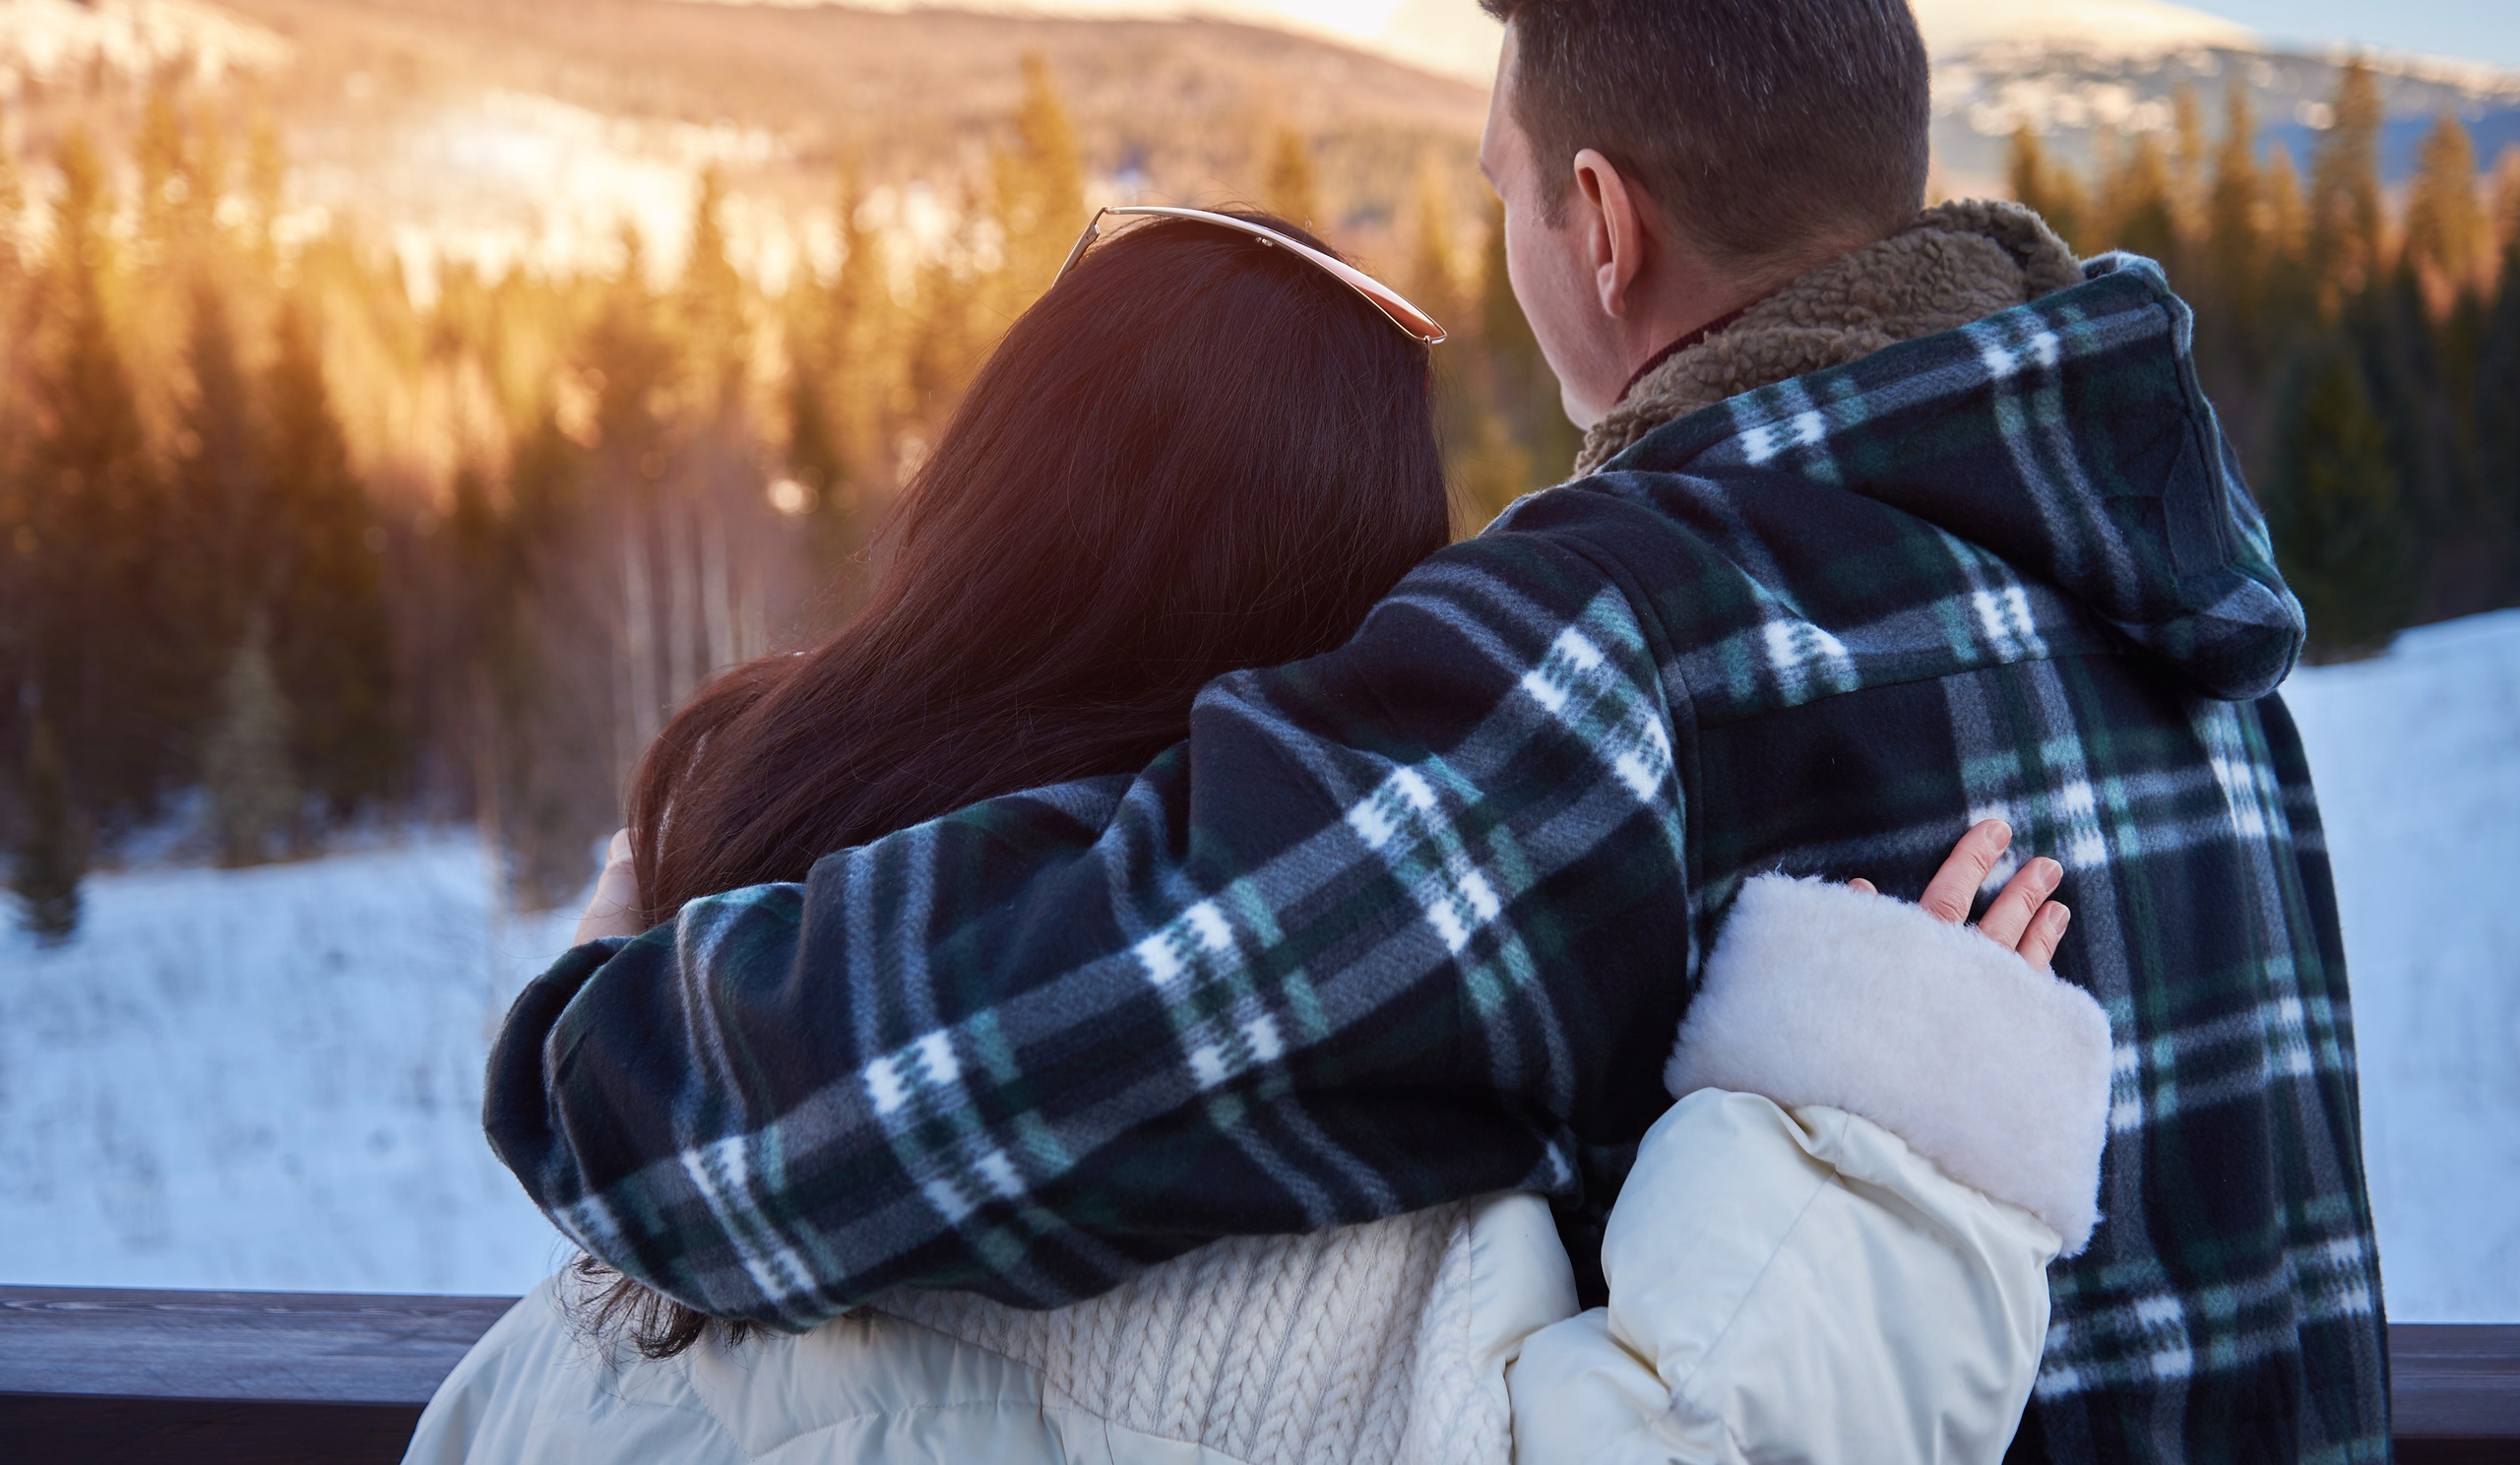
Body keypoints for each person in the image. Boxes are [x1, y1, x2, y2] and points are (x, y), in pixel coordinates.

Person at [483, 0, 2387, 1465]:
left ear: (1600, 225)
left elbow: (1047, 1036)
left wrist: (607, 1039)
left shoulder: (1618, 636)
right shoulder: (2180, 626)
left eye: (1501, 189)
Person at [416, 206, 2112, 1465]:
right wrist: (1876, 1164)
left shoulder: (667, 1151)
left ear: (982, 508)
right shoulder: (1368, 1230)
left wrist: (657, 964)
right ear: (1366, 598)